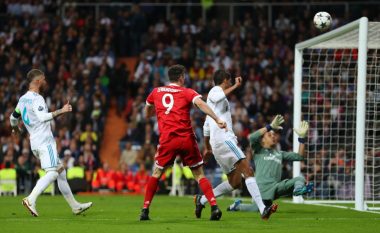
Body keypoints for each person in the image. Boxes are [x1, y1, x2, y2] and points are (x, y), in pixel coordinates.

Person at [140, 64, 227, 221]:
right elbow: (201, 104)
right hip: (186, 139)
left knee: (157, 173)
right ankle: (214, 207)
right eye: (184, 75)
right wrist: (217, 118)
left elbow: (147, 111)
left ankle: (145, 210)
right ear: (181, 77)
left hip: (168, 139)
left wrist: (153, 114)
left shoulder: (156, 92)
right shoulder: (186, 92)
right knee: (199, 174)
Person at [195, 70, 277, 220]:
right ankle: (263, 209)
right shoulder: (215, 91)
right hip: (225, 139)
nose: (231, 82)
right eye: (230, 80)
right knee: (248, 170)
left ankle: (201, 200)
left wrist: (207, 148)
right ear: (225, 80)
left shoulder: (212, 108)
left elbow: (206, 128)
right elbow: (219, 95)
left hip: (216, 143)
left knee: (234, 182)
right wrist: (236, 86)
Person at [10, 69, 92, 217]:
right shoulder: (37, 98)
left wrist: (15, 128)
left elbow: (13, 117)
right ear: (37, 81)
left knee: (61, 172)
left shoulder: (22, 99)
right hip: (45, 141)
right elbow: (42, 117)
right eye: (44, 79)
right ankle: (31, 199)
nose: (46, 82)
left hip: (34, 142)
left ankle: (75, 206)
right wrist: (62, 110)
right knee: (53, 173)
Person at [227, 118, 313, 212]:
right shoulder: (258, 150)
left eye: (274, 135)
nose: (273, 136)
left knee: (300, 179)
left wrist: (302, 138)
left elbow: (299, 156)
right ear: (262, 141)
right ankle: (237, 206)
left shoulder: (280, 153)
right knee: (255, 209)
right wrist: (269, 127)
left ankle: (298, 190)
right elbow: (252, 137)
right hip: (262, 189)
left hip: (276, 187)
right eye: (269, 135)